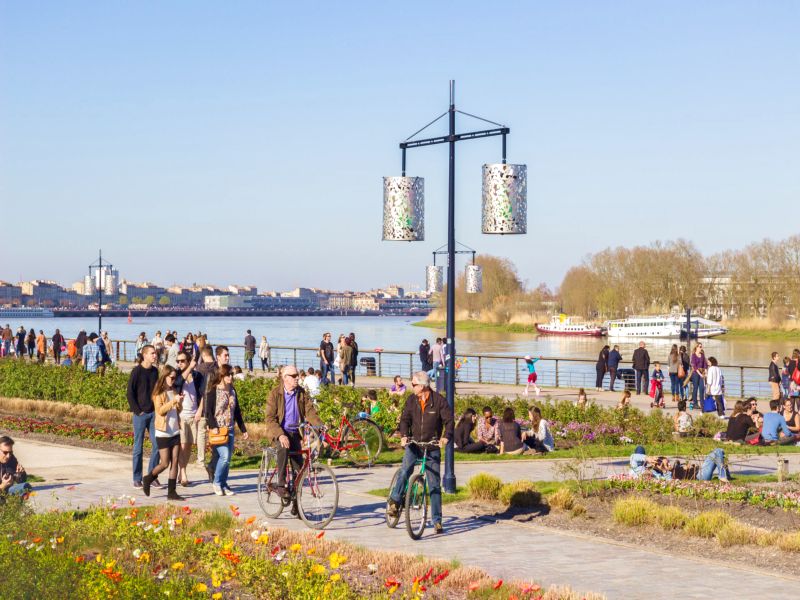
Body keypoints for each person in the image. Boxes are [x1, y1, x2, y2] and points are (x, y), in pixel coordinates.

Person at [387, 371, 453, 534]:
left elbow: (449, 421)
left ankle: (437, 521)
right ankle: (395, 501)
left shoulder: (439, 401)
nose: (412, 386)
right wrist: (404, 436)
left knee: (434, 484)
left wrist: (445, 437)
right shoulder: (411, 400)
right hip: (414, 443)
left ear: (423, 386)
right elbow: (405, 420)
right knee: (405, 470)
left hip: (431, 446)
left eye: (414, 384)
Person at [264, 364, 321, 499]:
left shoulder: (300, 393)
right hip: (279, 431)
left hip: (295, 433)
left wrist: (320, 426)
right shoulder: (274, 394)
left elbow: (310, 411)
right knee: (284, 447)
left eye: (297, 375)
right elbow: (270, 418)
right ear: (285, 378)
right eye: (294, 376)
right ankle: (281, 484)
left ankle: (297, 503)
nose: (297, 378)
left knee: (299, 469)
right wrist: (280, 434)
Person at [205, 364, 248, 496]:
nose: (230, 377)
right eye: (228, 374)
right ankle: (217, 482)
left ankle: (224, 483)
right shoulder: (214, 390)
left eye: (232, 374)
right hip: (218, 429)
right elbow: (208, 412)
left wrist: (243, 428)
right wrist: (213, 426)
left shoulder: (232, 390)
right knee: (224, 456)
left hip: (229, 428)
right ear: (222, 376)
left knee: (227, 459)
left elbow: (237, 411)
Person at [142, 366, 184, 500]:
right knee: (165, 463)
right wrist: (173, 401)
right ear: (165, 376)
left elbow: (178, 409)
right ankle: (148, 478)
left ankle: (172, 492)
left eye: (175, 377)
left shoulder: (174, 390)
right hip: (163, 432)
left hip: (175, 430)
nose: (173, 380)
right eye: (171, 377)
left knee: (175, 461)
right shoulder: (158, 393)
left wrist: (179, 402)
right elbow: (160, 411)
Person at [126, 345, 161, 489]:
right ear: (145, 355)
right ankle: (137, 478)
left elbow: (158, 391)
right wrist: (137, 410)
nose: (155, 355)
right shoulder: (136, 371)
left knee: (158, 444)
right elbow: (130, 393)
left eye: (155, 353)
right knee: (138, 448)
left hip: (153, 413)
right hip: (140, 414)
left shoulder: (155, 371)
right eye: (152, 353)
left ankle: (151, 476)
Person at [175, 350, 204, 487]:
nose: (179, 363)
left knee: (188, 446)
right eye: (178, 361)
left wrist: (199, 411)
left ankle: (181, 472)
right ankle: (183, 473)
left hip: (193, 416)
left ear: (188, 361)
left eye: (182, 361)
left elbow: (203, 394)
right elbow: (177, 383)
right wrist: (189, 368)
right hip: (181, 416)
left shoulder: (198, 376)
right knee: (181, 445)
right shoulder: (177, 374)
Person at [690, 344, 708, 409]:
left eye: (701, 347)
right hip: (695, 373)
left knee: (702, 388)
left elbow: (705, 364)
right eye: (700, 347)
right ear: (696, 347)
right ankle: (695, 403)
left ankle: (702, 403)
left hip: (702, 373)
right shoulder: (693, 355)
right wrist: (699, 374)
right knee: (695, 388)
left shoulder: (702, 355)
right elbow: (694, 366)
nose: (701, 348)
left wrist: (705, 372)